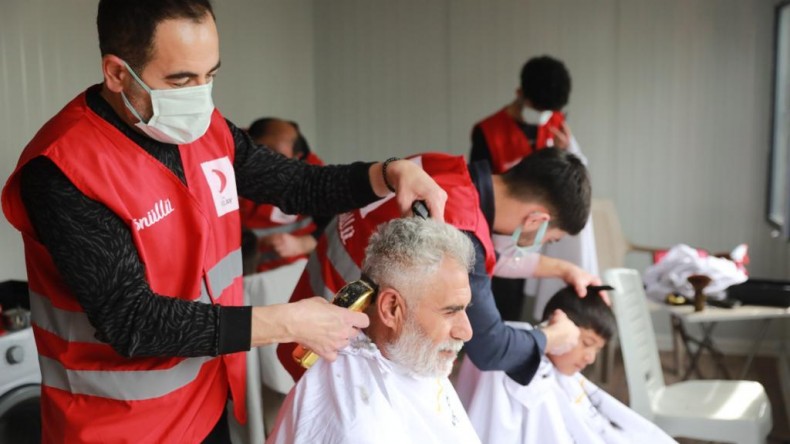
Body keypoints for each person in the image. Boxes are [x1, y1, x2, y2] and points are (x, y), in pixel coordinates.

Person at [0, 1, 447, 442]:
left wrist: (387, 174)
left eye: (210, 75)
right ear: (117, 72)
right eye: (182, 80)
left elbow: (295, 185)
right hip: (119, 425)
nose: (201, 96)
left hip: (208, 400)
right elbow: (133, 321)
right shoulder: (63, 170)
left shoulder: (204, 127)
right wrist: (288, 322)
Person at [278, 148, 602, 387]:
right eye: (551, 239)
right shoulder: (456, 227)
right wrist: (551, 336)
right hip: (331, 348)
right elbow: (489, 346)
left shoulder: (440, 170)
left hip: (313, 300)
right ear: (537, 221)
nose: (541, 244)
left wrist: (562, 269)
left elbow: (483, 258)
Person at [267, 217, 481, 444]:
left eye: (464, 309)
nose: (466, 332)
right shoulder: (355, 427)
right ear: (391, 308)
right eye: (450, 312)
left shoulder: (415, 354)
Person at [456, 286, 678, 444]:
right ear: (558, 324)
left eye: (597, 350)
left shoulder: (565, 377)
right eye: (587, 343)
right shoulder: (512, 363)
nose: (590, 358)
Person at [470, 55, 599, 322]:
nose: (546, 115)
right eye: (539, 108)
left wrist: (566, 152)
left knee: (524, 311)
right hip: (502, 237)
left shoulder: (557, 127)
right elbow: (481, 190)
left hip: (535, 237)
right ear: (520, 94)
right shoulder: (489, 131)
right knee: (497, 307)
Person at [240, 117, 327, 275]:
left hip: (291, 275)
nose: (266, 164)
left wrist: (302, 244)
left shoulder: (312, 173)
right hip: (239, 275)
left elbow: (336, 225)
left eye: (278, 158)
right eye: (262, 152)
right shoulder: (227, 157)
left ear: (297, 158)